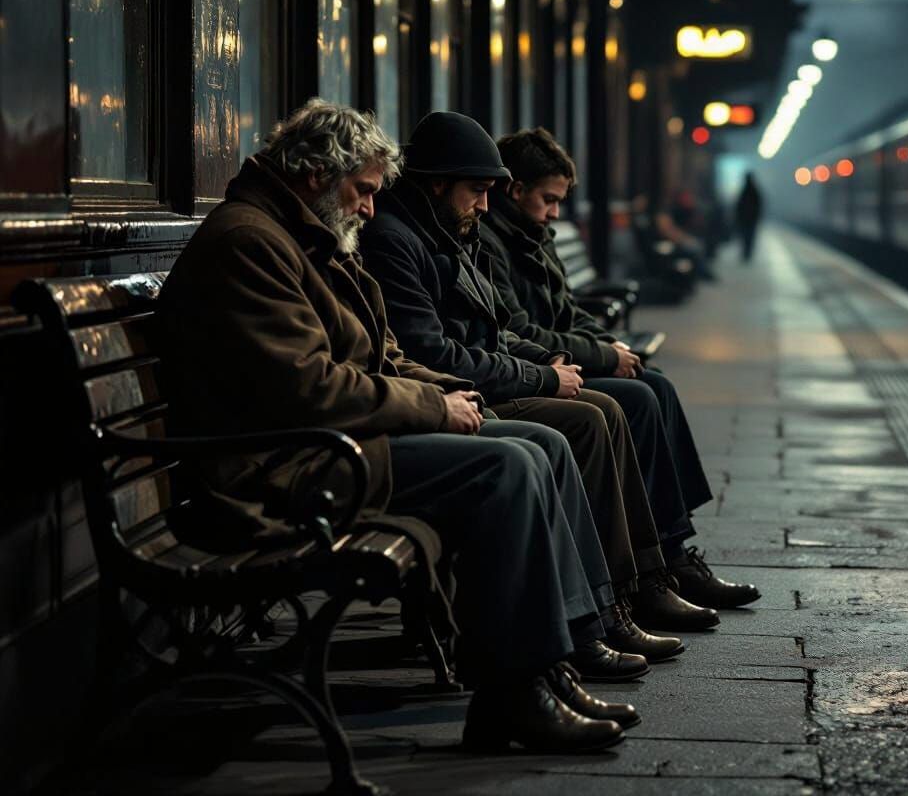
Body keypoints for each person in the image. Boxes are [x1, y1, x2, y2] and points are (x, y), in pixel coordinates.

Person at [157, 99, 639, 753]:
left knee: (542, 443)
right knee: (507, 466)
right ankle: (512, 693)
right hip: (279, 468)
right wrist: (434, 408)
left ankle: (558, 658)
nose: (369, 208)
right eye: (362, 191)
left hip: (332, 445)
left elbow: (380, 356)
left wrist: (445, 392)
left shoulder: (302, 237)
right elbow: (312, 387)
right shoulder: (252, 244)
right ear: (314, 174)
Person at [360, 111, 705, 653]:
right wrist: (543, 374)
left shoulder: (444, 230)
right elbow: (430, 351)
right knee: (590, 420)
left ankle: (631, 586)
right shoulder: (396, 240)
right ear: (436, 184)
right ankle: (598, 612)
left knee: (618, 403)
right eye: (476, 191)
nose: (483, 204)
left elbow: (497, 330)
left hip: (458, 388)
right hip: (443, 399)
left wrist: (557, 362)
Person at [484, 128, 760, 613]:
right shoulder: (492, 244)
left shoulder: (532, 234)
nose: (554, 213)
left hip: (558, 359)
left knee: (655, 384)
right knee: (636, 398)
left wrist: (610, 343)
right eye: (548, 200)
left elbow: (568, 312)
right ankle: (652, 572)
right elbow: (520, 330)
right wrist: (604, 356)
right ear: (515, 189)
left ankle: (672, 554)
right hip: (536, 367)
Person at [735, 172, 763, 262]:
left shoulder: (744, 191)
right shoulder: (755, 191)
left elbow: (738, 205)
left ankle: (746, 253)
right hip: (751, 220)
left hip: (745, 219)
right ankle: (747, 253)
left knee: (745, 237)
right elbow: (759, 206)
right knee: (749, 237)